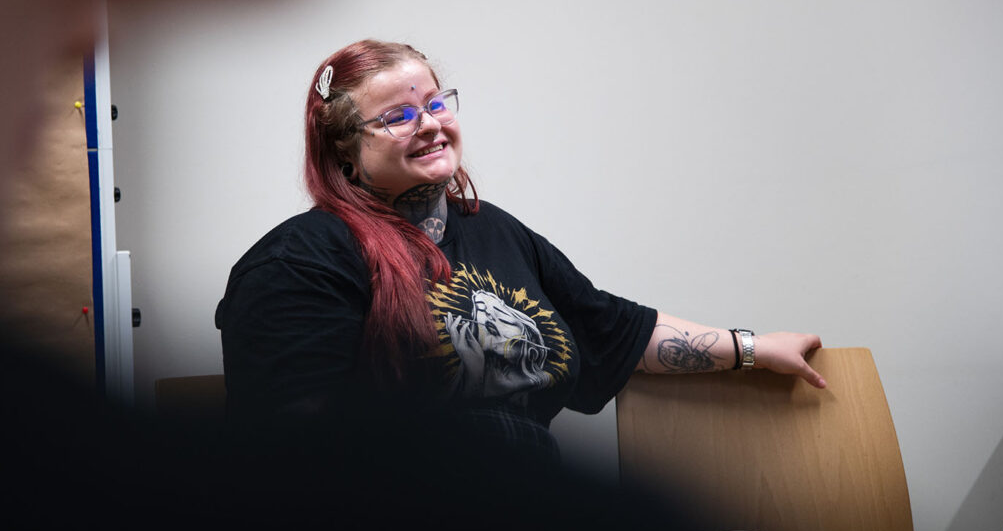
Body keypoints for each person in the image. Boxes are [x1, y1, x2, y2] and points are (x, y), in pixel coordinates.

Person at [214, 39, 827, 470]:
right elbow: (289, 456)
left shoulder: (493, 231)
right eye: (398, 116)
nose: (429, 124)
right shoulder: (299, 262)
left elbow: (611, 329)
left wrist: (752, 348)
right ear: (345, 154)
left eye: (435, 103)